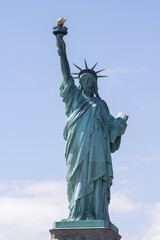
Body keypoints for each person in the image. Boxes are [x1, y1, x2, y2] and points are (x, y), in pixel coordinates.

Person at [56, 36, 127, 222]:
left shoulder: (101, 105)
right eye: (84, 79)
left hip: (98, 149)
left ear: (95, 83)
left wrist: (119, 127)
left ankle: (97, 214)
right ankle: (77, 214)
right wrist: (61, 47)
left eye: (91, 79)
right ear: (79, 83)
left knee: (97, 182)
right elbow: (65, 75)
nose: (88, 81)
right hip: (78, 147)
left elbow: (112, 128)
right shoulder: (75, 99)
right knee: (77, 179)